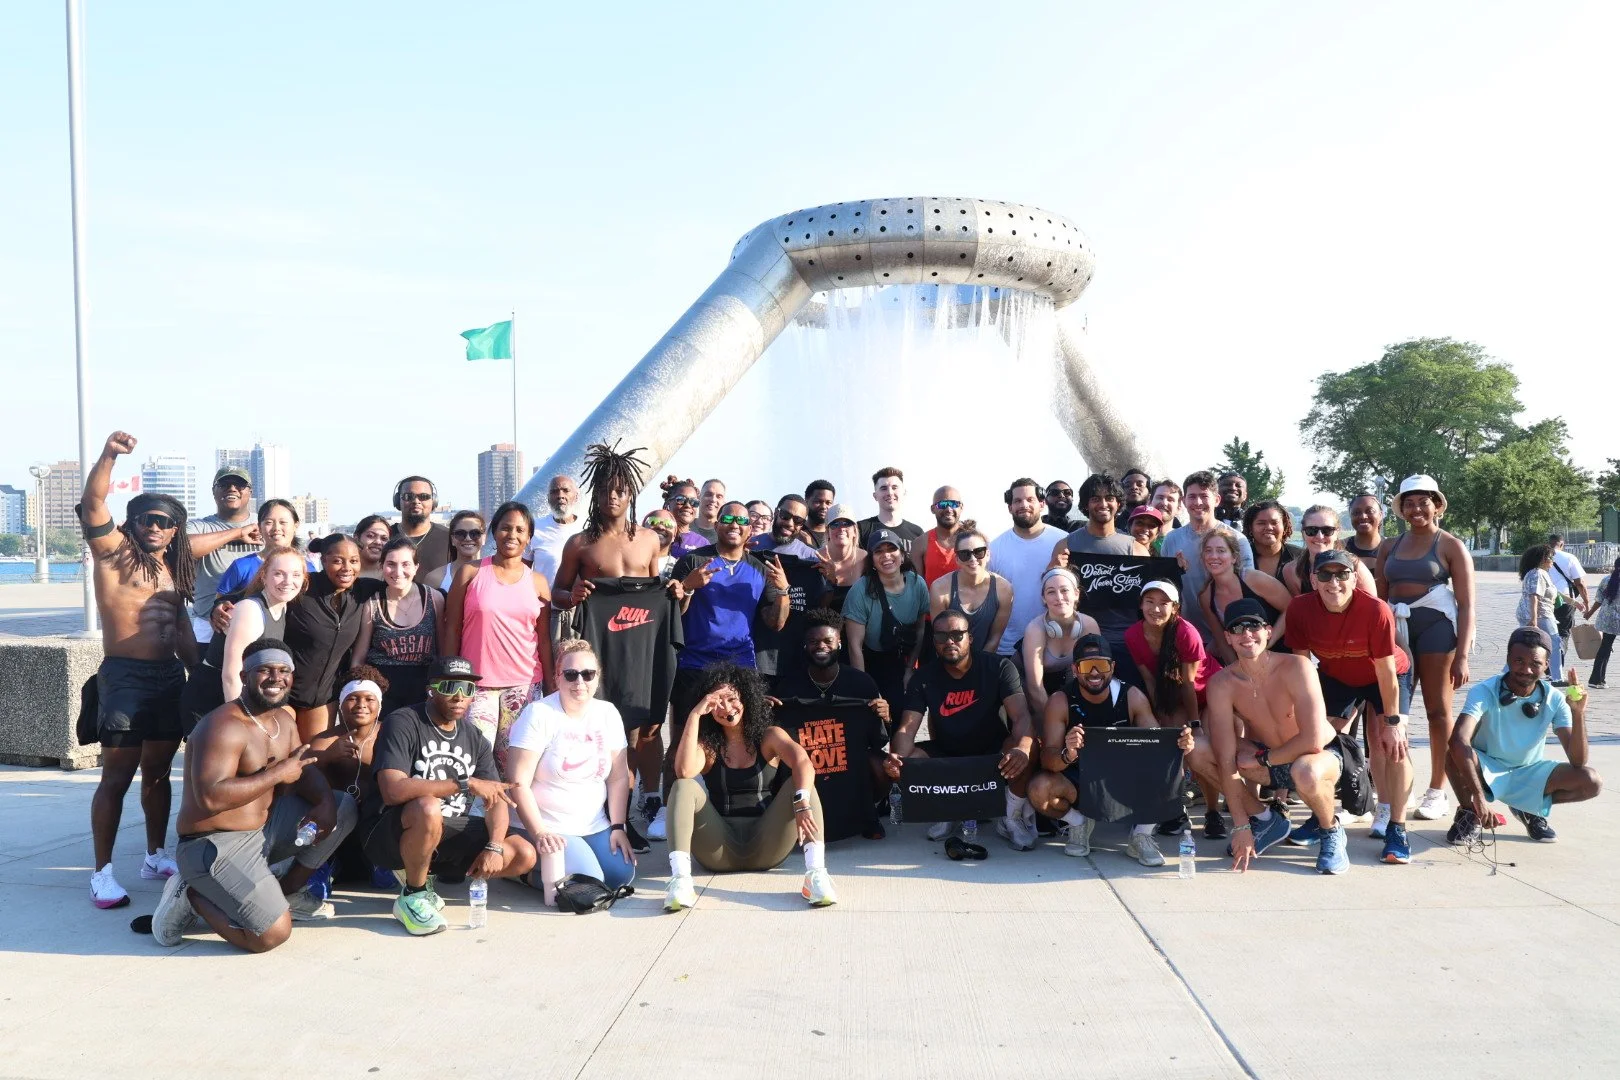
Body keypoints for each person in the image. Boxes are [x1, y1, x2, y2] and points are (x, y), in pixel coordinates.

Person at [150, 642, 357, 950]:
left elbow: (300, 767)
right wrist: (277, 774)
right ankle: (193, 895)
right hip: (212, 845)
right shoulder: (222, 726)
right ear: (245, 675)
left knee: (343, 806)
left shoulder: (283, 721)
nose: (276, 678)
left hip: (263, 831)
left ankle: (286, 893)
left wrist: (324, 802)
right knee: (271, 935)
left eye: (284, 671)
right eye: (265, 670)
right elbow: (210, 797)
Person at [79, 432, 201, 909]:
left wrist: (203, 679)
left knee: (158, 773)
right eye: (147, 518)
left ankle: (154, 854)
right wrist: (110, 454)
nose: (155, 526)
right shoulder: (114, 554)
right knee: (116, 776)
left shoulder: (174, 570)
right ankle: (101, 873)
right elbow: (93, 500)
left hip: (169, 679)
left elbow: (183, 634)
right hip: (125, 677)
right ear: (132, 522)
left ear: (174, 531)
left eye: (165, 522)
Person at [361, 656, 536, 936]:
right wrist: (463, 784)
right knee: (428, 807)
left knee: (522, 854)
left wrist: (493, 846)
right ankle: (413, 894)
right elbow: (393, 791)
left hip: (445, 830)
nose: (458, 696)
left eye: (467, 690)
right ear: (431, 689)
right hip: (389, 832)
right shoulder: (403, 722)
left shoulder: (474, 736)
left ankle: (425, 870)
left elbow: (496, 797)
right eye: (450, 687)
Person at [663, 663, 838, 910]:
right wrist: (693, 715)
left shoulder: (769, 736)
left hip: (766, 844)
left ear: (746, 698)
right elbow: (683, 771)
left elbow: (803, 762)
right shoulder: (709, 746)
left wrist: (801, 802)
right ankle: (680, 880)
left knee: (800, 784)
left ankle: (816, 875)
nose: (726, 708)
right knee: (683, 787)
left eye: (732, 699)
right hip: (718, 848)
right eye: (717, 703)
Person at [1189, 604, 1349, 875]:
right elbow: (1225, 754)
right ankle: (1264, 820)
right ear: (1227, 637)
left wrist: (1264, 759)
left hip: (1318, 756)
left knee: (1305, 770)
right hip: (1268, 757)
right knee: (1198, 750)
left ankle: (1330, 830)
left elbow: (1312, 739)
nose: (1246, 634)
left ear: (1268, 631)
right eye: (1237, 629)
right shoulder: (1221, 683)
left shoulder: (1297, 666)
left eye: (1253, 626)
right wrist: (1240, 825)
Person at [1285, 553, 1414, 862]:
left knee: (1392, 745)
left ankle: (1397, 827)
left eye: (1342, 574)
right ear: (1313, 580)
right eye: (1326, 576)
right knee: (1317, 743)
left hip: (1387, 674)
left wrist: (1394, 722)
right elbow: (1302, 666)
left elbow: (1385, 672)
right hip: (1337, 674)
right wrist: (1306, 716)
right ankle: (1323, 815)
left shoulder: (1375, 609)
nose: (1334, 583)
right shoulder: (1300, 608)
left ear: (1355, 578)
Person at [1026, 634, 1190, 866]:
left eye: (1101, 665)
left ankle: (1141, 835)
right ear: (1075, 669)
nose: (1094, 672)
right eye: (1086, 665)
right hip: (1080, 782)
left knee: (1175, 771)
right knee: (1038, 788)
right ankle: (1077, 824)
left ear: (1112, 667)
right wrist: (1068, 753)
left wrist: (1181, 746)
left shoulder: (1132, 696)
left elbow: (1158, 746)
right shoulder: (1060, 700)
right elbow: (1047, 759)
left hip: (1124, 782)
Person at [887, 609, 1039, 852]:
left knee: (1026, 746)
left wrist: (1022, 747)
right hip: (947, 756)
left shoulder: (999, 666)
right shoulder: (923, 677)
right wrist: (898, 758)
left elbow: (1022, 716)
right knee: (908, 759)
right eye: (941, 636)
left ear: (970, 638)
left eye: (958, 635)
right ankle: (948, 810)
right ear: (933, 641)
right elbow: (907, 726)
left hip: (992, 755)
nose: (950, 641)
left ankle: (1012, 815)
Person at [1375, 474, 1477, 821]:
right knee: (1392, 712)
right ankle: (1391, 791)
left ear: (1437, 505)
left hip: (1436, 629)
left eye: (1423, 501)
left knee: (1438, 711)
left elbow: (1466, 604)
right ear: (1400, 508)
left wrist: (1462, 655)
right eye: (1409, 502)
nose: (1416, 508)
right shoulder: (1389, 546)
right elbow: (1378, 598)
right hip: (1397, 629)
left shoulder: (1450, 545)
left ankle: (1437, 790)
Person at [505, 641, 637, 907]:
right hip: (547, 824)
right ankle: (521, 869)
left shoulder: (607, 713)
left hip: (592, 824)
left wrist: (618, 827)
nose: (580, 682)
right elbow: (517, 783)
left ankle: (555, 870)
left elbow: (619, 777)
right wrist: (540, 833)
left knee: (622, 875)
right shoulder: (539, 713)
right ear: (557, 678)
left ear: (597, 677)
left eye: (588, 674)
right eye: (571, 674)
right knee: (588, 883)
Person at [1446, 628, 1601, 846]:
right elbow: (1457, 740)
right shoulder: (1484, 691)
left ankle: (1529, 808)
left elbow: (1578, 761)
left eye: (1535, 663)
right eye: (1518, 660)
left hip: (1528, 771)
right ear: (1508, 659)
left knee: (1590, 781)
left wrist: (1578, 713)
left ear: (1546, 664)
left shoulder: (1554, 699)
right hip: (1487, 767)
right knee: (1454, 755)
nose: (1526, 669)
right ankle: (1468, 813)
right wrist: (1478, 798)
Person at [444, 501, 555, 767]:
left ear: (529, 537)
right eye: (506, 528)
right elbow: (452, 627)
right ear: (494, 532)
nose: (512, 535)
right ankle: (471, 811)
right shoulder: (469, 573)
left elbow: (543, 639)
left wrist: (551, 687)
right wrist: (447, 677)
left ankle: (509, 811)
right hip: (476, 684)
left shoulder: (538, 582)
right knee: (474, 758)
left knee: (512, 763)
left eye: (520, 529)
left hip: (524, 684)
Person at [774, 608, 892, 833]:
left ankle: (869, 812)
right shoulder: (788, 688)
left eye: (828, 640)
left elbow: (878, 742)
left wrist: (886, 716)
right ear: (804, 646)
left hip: (852, 778)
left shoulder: (861, 684)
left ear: (839, 643)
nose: (821, 646)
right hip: (808, 778)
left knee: (882, 764)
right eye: (813, 641)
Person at [1124, 580, 1224, 837]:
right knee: (1170, 749)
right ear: (1141, 604)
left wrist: (1195, 726)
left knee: (1200, 751)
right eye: (1150, 602)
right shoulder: (1132, 635)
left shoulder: (1186, 632)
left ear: (1175, 608)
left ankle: (1214, 813)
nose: (1156, 609)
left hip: (1209, 693)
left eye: (1163, 603)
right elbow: (1149, 680)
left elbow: (1189, 685)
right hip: (1174, 696)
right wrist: (1158, 714)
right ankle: (1176, 812)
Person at [181, 545, 306, 735]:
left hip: (245, 698)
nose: (288, 581)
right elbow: (231, 675)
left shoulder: (282, 606)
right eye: (279, 574)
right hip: (214, 699)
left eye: (296, 575)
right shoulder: (250, 609)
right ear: (263, 575)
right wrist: (242, 723)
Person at [308, 666, 394, 888]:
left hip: (376, 823)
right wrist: (327, 757)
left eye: (369, 699)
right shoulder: (325, 740)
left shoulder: (392, 735)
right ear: (341, 703)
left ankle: (380, 861)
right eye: (353, 698)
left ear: (379, 704)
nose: (361, 705)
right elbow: (297, 778)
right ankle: (323, 865)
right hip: (335, 827)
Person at [284, 533, 372, 743]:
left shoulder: (364, 591)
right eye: (337, 561)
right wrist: (220, 606)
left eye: (353, 561)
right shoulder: (303, 585)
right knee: (277, 760)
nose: (346, 568)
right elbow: (253, 592)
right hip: (284, 691)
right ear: (323, 561)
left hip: (323, 697)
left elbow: (401, 587)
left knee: (313, 759)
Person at [842, 528, 928, 724]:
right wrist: (864, 689)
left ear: (902, 554)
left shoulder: (918, 584)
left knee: (899, 715)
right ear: (871, 559)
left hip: (898, 659)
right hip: (868, 659)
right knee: (871, 715)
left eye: (892, 549)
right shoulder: (860, 590)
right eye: (879, 551)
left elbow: (921, 629)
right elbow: (854, 645)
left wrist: (909, 669)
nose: (886, 556)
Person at [1160, 471, 1255, 644]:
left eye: (1204, 496)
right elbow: (1166, 586)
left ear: (1217, 500)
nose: (1197, 502)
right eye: (1192, 496)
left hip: (1233, 635)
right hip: (1187, 635)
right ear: (1184, 501)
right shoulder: (1171, 539)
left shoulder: (1237, 540)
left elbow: (1249, 590)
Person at [353, 536, 443, 715]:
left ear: (416, 567)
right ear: (382, 566)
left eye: (406, 564)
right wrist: (358, 691)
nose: (398, 571)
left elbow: (442, 649)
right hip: (383, 688)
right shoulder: (373, 604)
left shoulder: (434, 599)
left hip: (423, 687)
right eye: (391, 564)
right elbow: (359, 656)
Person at [749, 494, 830, 690]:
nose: (790, 523)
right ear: (776, 514)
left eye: (798, 520)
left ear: (803, 525)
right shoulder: (751, 548)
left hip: (794, 657)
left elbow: (823, 605)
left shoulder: (811, 559)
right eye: (785, 516)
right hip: (753, 654)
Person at [185, 464, 263, 645]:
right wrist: (238, 533)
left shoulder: (263, 524)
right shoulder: (200, 526)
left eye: (239, 485)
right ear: (214, 491)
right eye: (224, 484)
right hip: (209, 622)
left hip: (258, 620)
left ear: (249, 492)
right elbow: (185, 548)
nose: (232, 489)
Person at [1197, 527, 1291, 665]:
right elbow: (1222, 642)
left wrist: (1269, 641)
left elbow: (1290, 608)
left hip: (1279, 653)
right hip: (1245, 659)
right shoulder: (1206, 597)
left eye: (1221, 551)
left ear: (1234, 557)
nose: (1214, 556)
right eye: (1208, 551)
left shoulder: (1254, 580)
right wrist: (1238, 671)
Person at [990, 478, 1059, 664]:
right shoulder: (994, 549)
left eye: (1030, 499)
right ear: (1010, 507)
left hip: (1057, 643)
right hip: (1008, 647)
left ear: (1042, 503)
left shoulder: (1062, 542)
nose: (1024, 505)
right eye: (1017, 501)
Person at [1020, 567, 1100, 718]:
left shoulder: (1089, 625)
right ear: (1043, 598)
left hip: (1065, 681)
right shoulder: (1035, 629)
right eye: (1051, 592)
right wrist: (1058, 722)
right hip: (1030, 687)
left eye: (1064, 590)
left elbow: (1097, 675)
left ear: (1076, 594)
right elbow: (1035, 689)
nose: (1059, 597)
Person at [927, 526, 1013, 655]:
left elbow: (995, 638)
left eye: (979, 552)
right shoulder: (940, 588)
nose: (973, 559)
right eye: (965, 554)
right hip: (950, 659)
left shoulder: (1003, 588)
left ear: (988, 554)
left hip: (985, 659)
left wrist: (979, 666)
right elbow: (941, 638)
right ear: (957, 559)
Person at [213, 499, 319, 598]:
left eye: (283, 522)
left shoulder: (307, 568)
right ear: (259, 526)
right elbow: (220, 603)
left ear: (296, 525)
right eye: (269, 522)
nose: (276, 528)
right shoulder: (242, 566)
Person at [1283, 505, 1376, 596]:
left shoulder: (1356, 567)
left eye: (1327, 530)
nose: (1319, 536)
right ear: (1303, 533)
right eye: (1311, 530)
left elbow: (1372, 607)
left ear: (1337, 532)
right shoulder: (1292, 571)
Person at [1050, 473, 1136, 563]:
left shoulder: (1134, 548)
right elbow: (1050, 575)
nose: (1103, 504)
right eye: (1095, 499)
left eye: (1109, 498)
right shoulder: (1065, 546)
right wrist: (1053, 569)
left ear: (1118, 504)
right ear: (1086, 504)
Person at [388, 477, 453, 581]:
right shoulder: (384, 537)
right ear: (397, 501)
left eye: (424, 496)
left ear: (434, 501)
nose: (416, 501)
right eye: (408, 496)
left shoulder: (450, 539)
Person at [525, 474, 582, 591]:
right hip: (545, 607)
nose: (560, 496)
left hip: (581, 607)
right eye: (554, 492)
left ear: (576, 497)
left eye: (566, 491)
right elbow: (522, 570)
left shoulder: (588, 527)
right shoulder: (534, 528)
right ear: (548, 498)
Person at [1516, 544, 1563, 681]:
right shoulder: (1538, 573)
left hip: (1534, 614)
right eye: (1550, 558)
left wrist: (1573, 602)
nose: (1552, 561)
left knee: (1526, 645)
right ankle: (1557, 678)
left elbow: (1553, 591)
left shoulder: (1538, 573)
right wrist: (1534, 619)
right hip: (1541, 615)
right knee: (1554, 644)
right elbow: (1534, 596)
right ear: (1542, 559)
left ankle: (1507, 674)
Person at [857, 466, 924, 557]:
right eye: (883, 488)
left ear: (904, 492)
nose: (890, 493)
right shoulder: (861, 529)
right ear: (875, 495)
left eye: (894, 487)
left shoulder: (917, 532)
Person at [815, 503, 867, 616]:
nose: (841, 528)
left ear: (854, 531)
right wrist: (830, 582)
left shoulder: (866, 559)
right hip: (825, 626)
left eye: (846, 523)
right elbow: (814, 608)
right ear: (827, 531)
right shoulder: (815, 558)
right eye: (835, 524)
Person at [1547, 534, 1592, 660]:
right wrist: (1587, 604)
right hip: (1564, 601)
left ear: (1549, 543)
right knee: (1562, 633)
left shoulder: (1540, 557)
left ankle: (1545, 664)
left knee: (1546, 632)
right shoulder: (1569, 557)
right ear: (1561, 544)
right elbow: (1580, 583)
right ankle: (1556, 667)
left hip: (1543, 600)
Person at [914, 486, 968, 585]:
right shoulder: (920, 543)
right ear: (933, 509)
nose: (948, 509)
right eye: (942, 504)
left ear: (961, 507)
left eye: (953, 504)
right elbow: (918, 588)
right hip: (933, 600)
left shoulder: (973, 540)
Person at [1243, 500, 1300, 583]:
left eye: (1274, 523)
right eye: (1261, 523)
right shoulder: (1240, 558)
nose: (1269, 527)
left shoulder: (1301, 557)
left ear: (1284, 526)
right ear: (1250, 528)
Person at [434, 510, 486, 593]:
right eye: (460, 534)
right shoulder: (435, 578)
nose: (468, 538)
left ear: (484, 538)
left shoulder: (496, 574)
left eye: (475, 533)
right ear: (452, 539)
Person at [1587, 557, 1620, 688]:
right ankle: (1598, 680)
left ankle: (1596, 680)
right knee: (1605, 648)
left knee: (1604, 648)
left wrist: (1589, 613)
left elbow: (1599, 600)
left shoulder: (1606, 580)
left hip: (1607, 618)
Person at [661, 478, 709, 557]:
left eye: (694, 502)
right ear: (668, 503)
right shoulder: (654, 535)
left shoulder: (703, 544)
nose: (688, 505)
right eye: (681, 499)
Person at [1345, 493, 1386, 561]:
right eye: (1356, 512)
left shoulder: (1393, 548)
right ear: (1350, 515)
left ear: (1381, 515)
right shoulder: (1340, 547)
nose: (1363, 516)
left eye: (1370, 511)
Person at [354, 514, 393, 581]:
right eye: (370, 536)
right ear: (356, 538)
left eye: (384, 538)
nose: (378, 542)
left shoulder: (393, 576)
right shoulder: (345, 573)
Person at [642, 509, 678, 578]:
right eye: (653, 521)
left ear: (674, 536)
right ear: (642, 528)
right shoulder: (629, 560)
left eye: (668, 524)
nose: (661, 527)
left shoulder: (679, 567)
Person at [804, 479, 837, 551]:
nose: (823, 507)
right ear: (806, 501)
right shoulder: (796, 532)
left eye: (828, 503)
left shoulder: (837, 533)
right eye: (818, 501)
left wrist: (809, 546)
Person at [694, 477, 727, 542]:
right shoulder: (684, 528)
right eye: (708, 495)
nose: (713, 500)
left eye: (719, 497)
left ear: (724, 503)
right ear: (699, 498)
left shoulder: (727, 535)